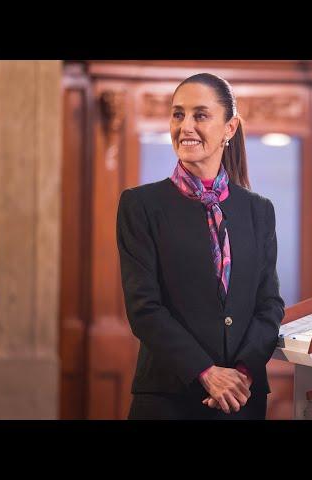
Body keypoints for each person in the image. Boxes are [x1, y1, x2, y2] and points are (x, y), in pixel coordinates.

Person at [116, 72, 285, 419]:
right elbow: (144, 309)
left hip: (242, 398)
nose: (186, 126)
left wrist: (242, 374)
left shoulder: (259, 210)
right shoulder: (141, 205)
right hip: (168, 400)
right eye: (178, 114)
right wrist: (207, 373)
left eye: (201, 115)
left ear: (230, 127)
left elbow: (269, 305)